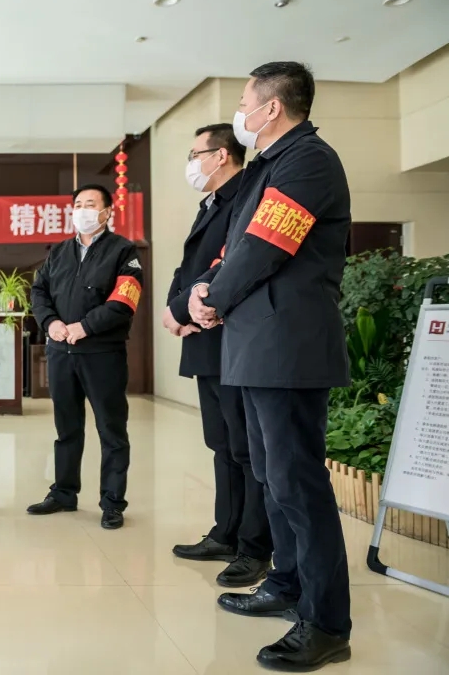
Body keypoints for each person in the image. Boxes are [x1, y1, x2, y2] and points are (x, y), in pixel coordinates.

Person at [187, 62, 352, 671]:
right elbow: (236, 246)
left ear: (272, 107)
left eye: (244, 102)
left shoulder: (308, 162)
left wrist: (214, 297)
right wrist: (204, 289)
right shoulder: (268, 166)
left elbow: (265, 247)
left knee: (297, 483)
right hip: (258, 347)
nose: (240, 112)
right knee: (272, 476)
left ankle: (326, 623)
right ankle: (286, 583)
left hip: (288, 348)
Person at [165, 125, 273, 587]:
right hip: (204, 338)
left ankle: (254, 547)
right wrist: (174, 310)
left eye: (196, 153)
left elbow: (226, 266)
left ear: (222, 155)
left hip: (229, 336)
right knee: (221, 443)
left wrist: (183, 308)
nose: (191, 163)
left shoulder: (245, 196)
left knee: (245, 449)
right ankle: (225, 533)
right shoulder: (209, 203)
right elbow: (187, 267)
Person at [27, 184, 143, 529]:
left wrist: (86, 326)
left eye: (90, 204)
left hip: (102, 354)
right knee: (66, 428)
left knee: (111, 429)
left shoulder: (123, 251)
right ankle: (64, 492)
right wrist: (51, 322)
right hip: (61, 353)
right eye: (78, 204)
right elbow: (39, 291)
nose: (82, 210)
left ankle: (112, 502)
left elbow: (125, 300)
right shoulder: (59, 252)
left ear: (107, 212)